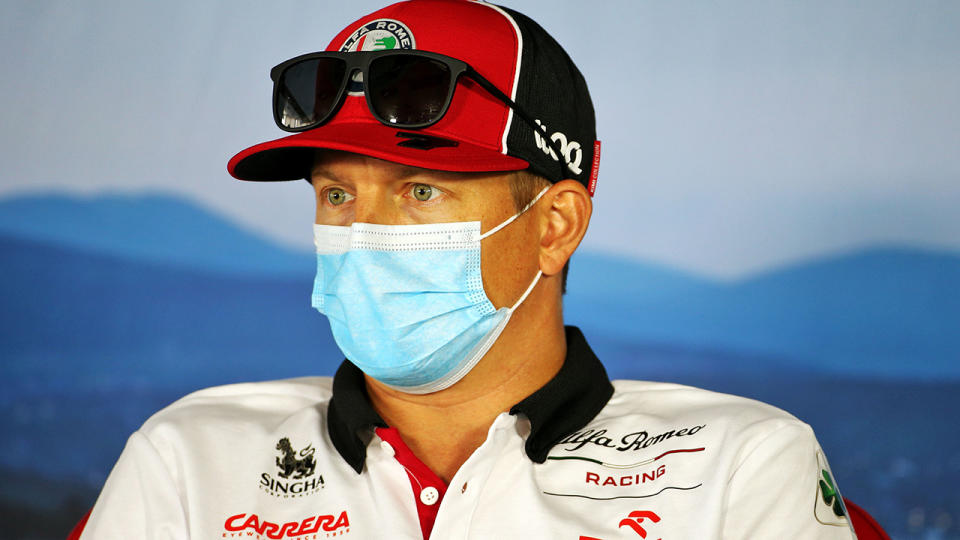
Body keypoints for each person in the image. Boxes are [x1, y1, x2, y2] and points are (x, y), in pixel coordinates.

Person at [78, 1, 857, 538]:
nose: (363, 231)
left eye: (421, 191)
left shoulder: (737, 466)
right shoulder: (186, 456)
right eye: (337, 193)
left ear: (555, 227)